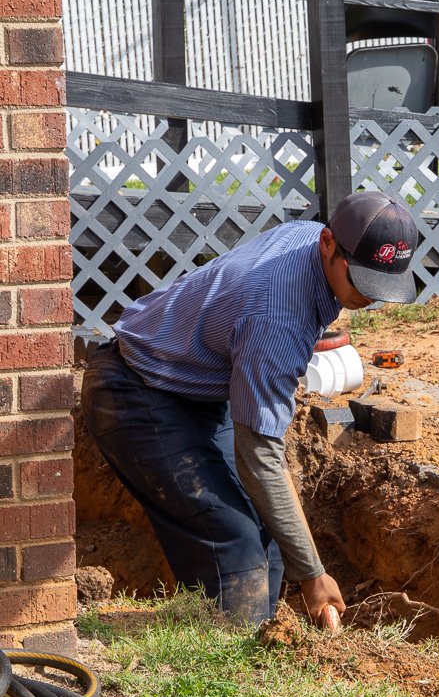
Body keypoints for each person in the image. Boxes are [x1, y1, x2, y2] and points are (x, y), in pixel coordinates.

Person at [82, 191, 418, 626]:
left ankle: (266, 640)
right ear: (329, 244)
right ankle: (225, 662)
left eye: (380, 284)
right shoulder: (277, 317)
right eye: (360, 281)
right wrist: (314, 575)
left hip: (193, 387)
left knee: (269, 529)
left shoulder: (308, 240)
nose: (369, 298)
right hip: (136, 392)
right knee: (234, 544)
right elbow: (259, 457)